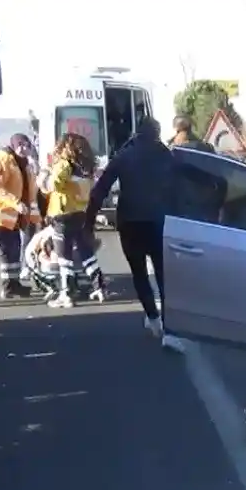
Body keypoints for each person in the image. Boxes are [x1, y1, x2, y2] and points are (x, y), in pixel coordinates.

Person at [84, 116, 185, 351]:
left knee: (139, 273)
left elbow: (99, 191)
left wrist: (88, 224)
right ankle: (169, 331)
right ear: (157, 133)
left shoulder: (124, 156)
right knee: (163, 274)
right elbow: (183, 183)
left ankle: (153, 319)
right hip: (158, 223)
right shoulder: (166, 155)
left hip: (130, 223)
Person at [0, 133, 41, 299]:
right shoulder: (1, 161)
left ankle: (14, 284)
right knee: (8, 249)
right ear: (13, 145)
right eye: (20, 145)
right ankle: (8, 287)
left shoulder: (25, 165)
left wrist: (35, 218)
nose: (24, 148)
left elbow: (30, 194)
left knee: (14, 247)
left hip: (12, 216)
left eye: (27, 145)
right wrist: (16, 203)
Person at [45, 133, 107, 308]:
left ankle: (66, 294)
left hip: (63, 213)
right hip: (80, 212)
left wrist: (47, 179)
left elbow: (54, 184)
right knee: (86, 252)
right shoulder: (86, 168)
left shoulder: (65, 164)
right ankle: (99, 287)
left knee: (64, 256)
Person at [22, 222, 63, 301]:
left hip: (48, 267)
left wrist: (33, 268)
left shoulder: (41, 234)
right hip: (66, 266)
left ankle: (52, 287)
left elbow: (29, 253)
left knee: (36, 270)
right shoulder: (71, 230)